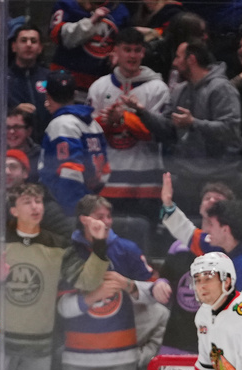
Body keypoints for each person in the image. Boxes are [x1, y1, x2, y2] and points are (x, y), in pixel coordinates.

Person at [0, 183, 106, 370]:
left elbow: (87, 281)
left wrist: (100, 244)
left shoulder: (58, 246)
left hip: (39, 349)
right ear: (14, 210)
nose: (36, 207)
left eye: (38, 201)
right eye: (27, 202)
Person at [129, 40, 242, 215]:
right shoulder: (180, 90)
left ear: (191, 59)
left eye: (178, 57)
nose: (174, 63)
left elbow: (231, 131)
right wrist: (142, 112)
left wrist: (193, 123)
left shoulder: (221, 89)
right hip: (186, 177)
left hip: (218, 178)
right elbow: (168, 129)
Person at [57, 195, 161, 370]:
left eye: (108, 216)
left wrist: (129, 285)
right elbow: (62, 308)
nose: (106, 221)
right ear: (84, 220)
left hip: (121, 357)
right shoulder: (70, 252)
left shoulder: (127, 250)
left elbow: (155, 294)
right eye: (100, 216)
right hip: (77, 357)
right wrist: (94, 296)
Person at [87, 27, 170, 224]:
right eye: (127, 49)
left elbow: (155, 133)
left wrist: (123, 118)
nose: (132, 55)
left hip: (146, 184)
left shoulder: (158, 89)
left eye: (137, 50)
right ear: (115, 51)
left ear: (143, 52)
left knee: (144, 242)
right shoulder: (99, 87)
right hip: (108, 183)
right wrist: (106, 122)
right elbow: (89, 137)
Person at [156, 179, 234, 355]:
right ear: (200, 207)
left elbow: (188, 233)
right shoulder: (179, 247)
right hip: (176, 341)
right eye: (207, 198)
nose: (212, 201)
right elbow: (164, 276)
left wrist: (170, 208)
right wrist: (159, 283)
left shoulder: (232, 248)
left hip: (216, 346)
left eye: (218, 199)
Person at [160, 177, 242, 290]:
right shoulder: (222, 246)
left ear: (225, 230)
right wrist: (168, 205)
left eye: (212, 225)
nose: (208, 230)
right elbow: (187, 232)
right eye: (207, 198)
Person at [39, 69, 110, 216]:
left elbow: (70, 171)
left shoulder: (62, 124)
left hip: (67, 206)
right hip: (89, 199)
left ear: (47, 96)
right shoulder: (92, 124)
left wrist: (73, 211)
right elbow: (105, 170)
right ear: (75, 94)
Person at [49, 0, 130, 91]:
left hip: (101, 84)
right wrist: (91, 22)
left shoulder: (121, 11)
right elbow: (58, 37)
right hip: (65, 81)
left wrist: (117, 53)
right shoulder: (67, 4)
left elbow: (124, 41)